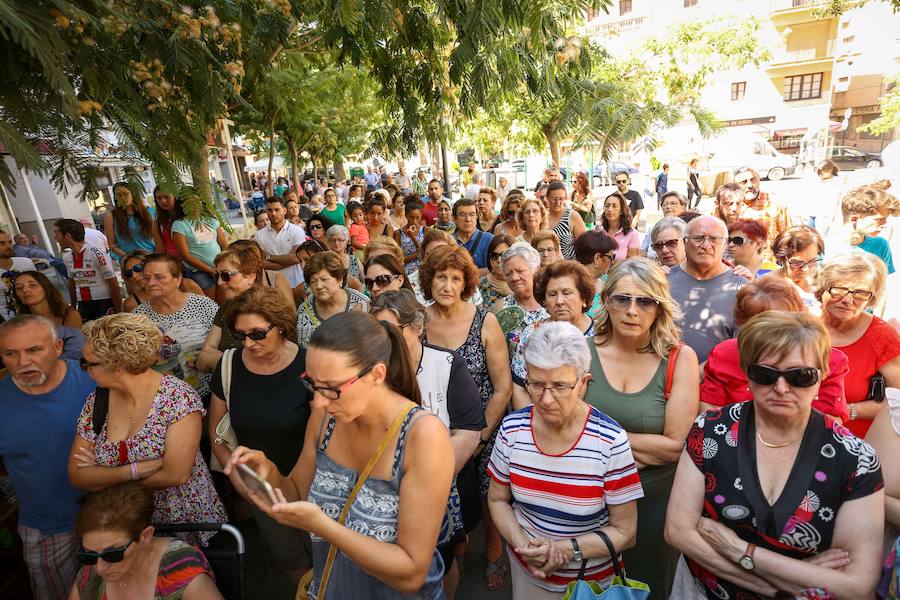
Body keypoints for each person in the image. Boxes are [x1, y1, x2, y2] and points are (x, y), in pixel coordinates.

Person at [226, 312, 453, 598]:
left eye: (332, 389)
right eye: (312, 384)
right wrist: (269, 474)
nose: (318, 400)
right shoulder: (325, 417)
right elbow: (296, 492)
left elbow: (411, 574)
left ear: (377, 374)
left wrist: (325, 528)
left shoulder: (423, 436)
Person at [665, 311, 885, 599]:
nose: (781, 388)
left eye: (800, 376)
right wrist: (771, 587)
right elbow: (679, 531)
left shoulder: (855, 458)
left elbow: (856, 585)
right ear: (747, 372)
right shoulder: (711, 430)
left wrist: (742, 551)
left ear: (822, 376)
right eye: (765, 374)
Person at [488, 322, 643, 598]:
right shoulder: (512, 430)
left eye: (560, 386)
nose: (546, 400)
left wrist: (564, 549)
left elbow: (626, 532)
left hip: (590, 587)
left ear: (583, 383)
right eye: (536, 384)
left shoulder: (610, 442)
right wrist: (525, 546)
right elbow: (497, 499)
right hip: (527, 575)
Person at [583, 258, 700, 597]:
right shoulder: (582, 352)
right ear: (606, 301)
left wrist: (600, 437)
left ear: (659, 306)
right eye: (623, 299)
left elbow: (675, 446)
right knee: (588, 585)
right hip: (589, 498)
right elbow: (564, 428)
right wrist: (639, 444)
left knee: (648, 586)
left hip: (654, 502)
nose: (632, 310)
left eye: (644, 301)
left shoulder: (680, 358)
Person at [68, 313, 227, 545]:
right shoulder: (97, 401)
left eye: (88, 363)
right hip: (122, 526)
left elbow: (176, 474)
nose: (85, 370)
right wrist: (134, 471)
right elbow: (77, 475)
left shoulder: (177, 398)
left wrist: (102, 476)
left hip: (182, 523)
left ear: (117, 366)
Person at [372, 290, 486, 598]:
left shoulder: (447, 364)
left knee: (440, 561)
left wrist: (427, 482)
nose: (384, 341)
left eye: (391, 331)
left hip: (441, 491)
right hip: (385, 495)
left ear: (417, 327)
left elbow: (468, 432)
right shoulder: (371, 370)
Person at [420, 245, 513, 590]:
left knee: (489, 492)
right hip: (437, 427)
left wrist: (480, 437)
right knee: (445, 491)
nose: (446, 285)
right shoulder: (420, 321)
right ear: (429, 280)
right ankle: (456, 542)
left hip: (485, 425)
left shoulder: (484, 321)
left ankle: (492, 548)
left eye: (455, 278)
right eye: (440, 277)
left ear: (465, 284)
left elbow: (502, 388)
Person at [209, 286, 312, 580]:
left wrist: (298, 485)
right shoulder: (229, 364)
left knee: (326, 554)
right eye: (240, 335)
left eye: (257, 333)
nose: (248, 343)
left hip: (312, 481)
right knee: (289, 557)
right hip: (260, 487)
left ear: (280, 326)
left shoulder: (309, 364)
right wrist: (238, 479)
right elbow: (216, 430)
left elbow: (321, 433)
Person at [0, 315, 97, 599]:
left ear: (57, 348)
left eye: (33, 350)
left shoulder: (94, 383)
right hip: (45, 526)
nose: (23, 362)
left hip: (109, 519)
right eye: (10, 354)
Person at [701, 276, 850, 422]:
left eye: (779, 324)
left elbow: (829, 420)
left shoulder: (826, 358)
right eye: (759, 325)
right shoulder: (726, 353)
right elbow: (710, 411)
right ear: (743, 324)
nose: (770, 331)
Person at [70, 482, 223, 599]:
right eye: (88, 556)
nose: (100, 568)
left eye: (112, 554)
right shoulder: (90, 576)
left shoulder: (180, 570)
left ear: (145, 536)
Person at [817, 252, 900, 437]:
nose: (848, 300)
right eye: (839, 288)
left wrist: (847, 411)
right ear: (823, 287)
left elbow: (897, 402)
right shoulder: (801, 325)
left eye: (860, 293)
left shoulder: (882, 337)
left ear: (871, 298)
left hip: (854, 446)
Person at [510, 260, 598, 406]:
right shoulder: (531, 334)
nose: (559, 301)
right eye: (552, 294)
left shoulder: (600, 335)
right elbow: (520, 387)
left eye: (567, 293)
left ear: (583, 298)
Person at [132, 253, 219, 398]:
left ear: (178, 279)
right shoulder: (138, 317)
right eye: (146, 278)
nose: (151, 283)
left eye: (159, 277)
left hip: (211, 393)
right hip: (167, 400)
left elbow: (223, 346)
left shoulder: (202, 305)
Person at [668, 216, 747, 363]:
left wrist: (704, 370)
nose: (706, 245)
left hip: (717, 380)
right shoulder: (663, 280)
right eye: (698, 238)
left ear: (724, 244)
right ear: (684, 242)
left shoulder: (741, 288)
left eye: (714, 239)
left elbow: (742, 346)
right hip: (664, 375)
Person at [296, 251, 369, 348]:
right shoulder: (304, 313)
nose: (319, 286)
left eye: (324, 279)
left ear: (340, 279)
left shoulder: (362, 304)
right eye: (313, 281)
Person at [55, 219, 123, 320]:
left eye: (57, 234)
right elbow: (72, 284)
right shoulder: (67, 257)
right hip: (83, 303)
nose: (55, 238)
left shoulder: (96, 254)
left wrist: (120, 313)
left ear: (68, 236)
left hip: (103, 301)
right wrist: (73, 309)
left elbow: (114, 285)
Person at [826, 183, 899, 273]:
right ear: (854, 219)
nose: (885, 224)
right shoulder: (825, 248)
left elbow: (884, 282)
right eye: (879, 220)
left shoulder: (881, 245)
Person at [13, 271, 84, 359]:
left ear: (46, 288)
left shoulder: (69, 315)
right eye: (19, 288)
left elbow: (76, 352)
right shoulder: (19, 323)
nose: (25, 290)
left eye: (32, 285)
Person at [496, 242, 550, 351]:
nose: (514, 277)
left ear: (535, 269)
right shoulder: (502, 307)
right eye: (508, 273)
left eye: (520, 271)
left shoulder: (551, 303)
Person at [171, 199, 228, 298]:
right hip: (198, 272)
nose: (195, 205)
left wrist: (224, 264)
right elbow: (185, 255)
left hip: (219, 268)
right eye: (191, 201)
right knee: (209, 304)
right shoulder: (180, 224)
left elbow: (224, 244)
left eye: (198, 201)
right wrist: (210, 270)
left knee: (223, 301)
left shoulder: (211, 220)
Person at [734, 166, 791, 260]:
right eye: (744, 182)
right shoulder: (730, 206)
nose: (750, 185)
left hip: (768, 264)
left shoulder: (774, 202)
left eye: (753, 180)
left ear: (759, 181)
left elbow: (787, 235)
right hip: (738, 265)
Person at [255, 196, 307, 294]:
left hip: (296, 284)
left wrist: (269, 257)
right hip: (273, 288)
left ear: (284, 210)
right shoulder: (259, 235)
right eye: (270, 210)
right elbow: (261, 263)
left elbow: (296, 258)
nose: (273, 213)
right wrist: (288, 259)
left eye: (277, 210)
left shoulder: (296, 231)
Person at [120, 251, 203, 312]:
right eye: (128, 273)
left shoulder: (187, 285)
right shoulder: (131, 304)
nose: (134, 275)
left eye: (137, 268)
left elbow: (208, 312)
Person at [770, 225, 825, 314]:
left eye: (812, 261)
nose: (805, 269)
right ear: (782, 258)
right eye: (797, 263)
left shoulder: (821, 281)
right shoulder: (768, 287)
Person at [103, 183, 156, 259]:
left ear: (132, 194)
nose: (123, 197)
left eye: (125, 193)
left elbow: (158, 237)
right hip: (129, 261)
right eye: (119, 195)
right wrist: (127, 257)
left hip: (152, 258)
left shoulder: (150, 212)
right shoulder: (111, 216)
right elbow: (111, 244)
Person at [574, 229, 618, 317]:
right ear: (597, 258)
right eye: (611, 257)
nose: (612, 262)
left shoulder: (607, 280)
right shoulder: (572, 284)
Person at [1, 228, 37, 320]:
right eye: (2, 243)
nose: (8, 246)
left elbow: (40, 288)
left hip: (34, 316)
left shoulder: (26, 263)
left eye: (9, 242)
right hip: (5, 322)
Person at [546, 181, 587, 260]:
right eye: (554, 199)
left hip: (569, 267)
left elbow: (584, 246)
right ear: (547, 197)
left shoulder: (573, 216)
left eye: (561, 199)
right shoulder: (542, 216)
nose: (558, 202)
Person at [453, 198, 494, 270]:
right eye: (462, 215)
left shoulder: (489, 239)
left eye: (472, 214)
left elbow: (495, 269)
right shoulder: (448, 241)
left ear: (477, 217)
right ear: (454, 219)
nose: (468, 219)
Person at [598, 192, 639, 262]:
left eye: (614, 206)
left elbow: (632, 264)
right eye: (607, 206)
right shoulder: (597, 230)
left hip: (621, 272)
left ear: (622, 210)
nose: (610, 209)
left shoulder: (632, 234)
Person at [478, 234, 514, 311]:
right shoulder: (479, 285)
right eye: (494, 255)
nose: (499, 260)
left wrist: (510, 294)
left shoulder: (523, 281)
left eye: (504, 255)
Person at [394, 195, 425, 275]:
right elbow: (399, 259)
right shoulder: (398, 233)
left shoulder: (425, 230)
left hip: (423, 270)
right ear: (406, 215)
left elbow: (424, 253)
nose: (414, 221)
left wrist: (413, 237)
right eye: (411, 218)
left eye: (417, 218)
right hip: (406, 272)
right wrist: (416, 254)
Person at [151, 185, 181, 256]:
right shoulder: (157, 224)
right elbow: (161, 252)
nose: (163, 201)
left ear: (175, 197)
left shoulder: (187, 218)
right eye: (159, 198)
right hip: (173, 263)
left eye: (166, 197)